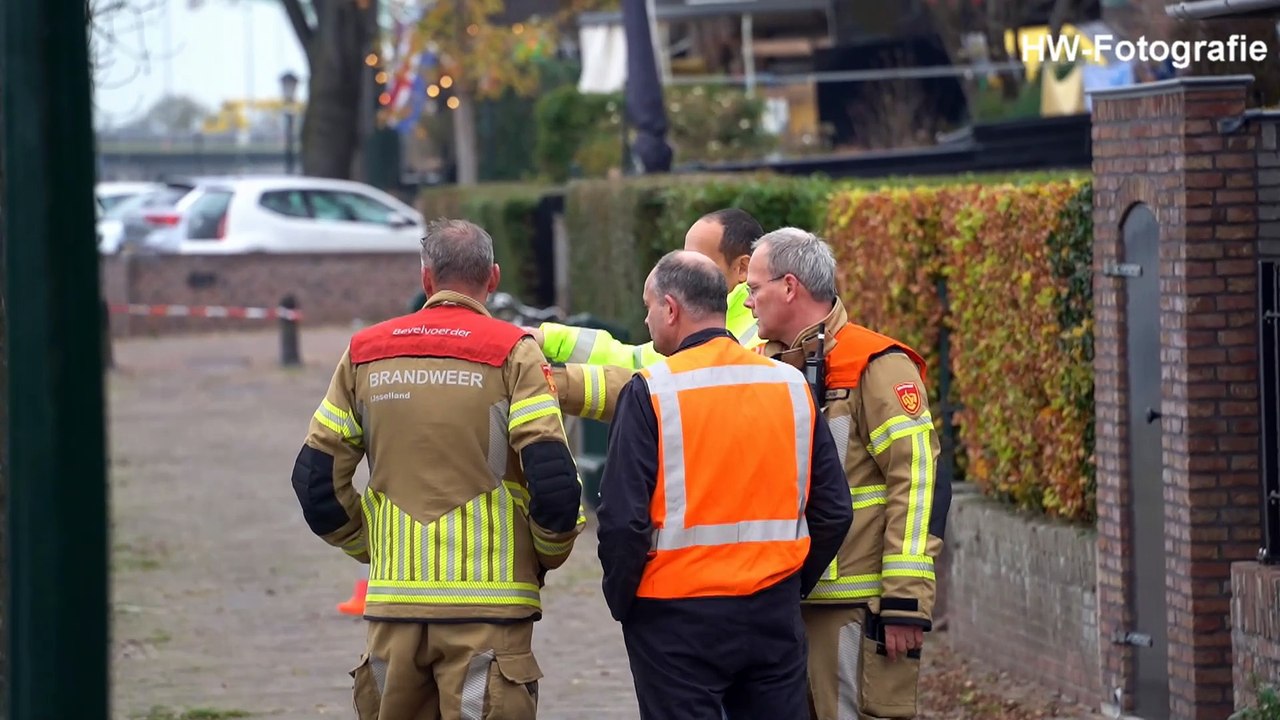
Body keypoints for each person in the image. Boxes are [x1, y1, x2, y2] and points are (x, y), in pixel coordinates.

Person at [290, 218, 585, 720]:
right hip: (491, 614)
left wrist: (373, 547)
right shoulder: (515, 352)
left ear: (426, 279)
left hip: (393, 614)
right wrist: (542, 556)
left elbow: (315, 480)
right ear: (492, 278)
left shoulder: (364, 353)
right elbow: (553, 480)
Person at [595, 249, 854, 720]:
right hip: (772, 610)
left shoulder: (651, 390)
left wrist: (624, 600)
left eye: (648, 307)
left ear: (670, 309)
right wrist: (790, 586)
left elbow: (621, 520)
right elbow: (833, 509)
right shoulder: (791, 385)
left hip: (674, 615)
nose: (646, 320)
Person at [744, 227, 952, 720]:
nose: (747, 303)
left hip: (854, 606)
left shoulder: (874, 365)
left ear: (789, 287)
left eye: (753, 289)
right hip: (777, 602)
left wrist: (905, 601)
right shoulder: (757, 365)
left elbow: (918, 480)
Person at [538, 207, 767, 422]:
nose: (683, 271)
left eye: (697, 262)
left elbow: (645, 385)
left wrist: (552, 382)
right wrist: (546, 339)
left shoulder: (762, 337)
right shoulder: (710, 321)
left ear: (742, 268)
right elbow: (631, 361)